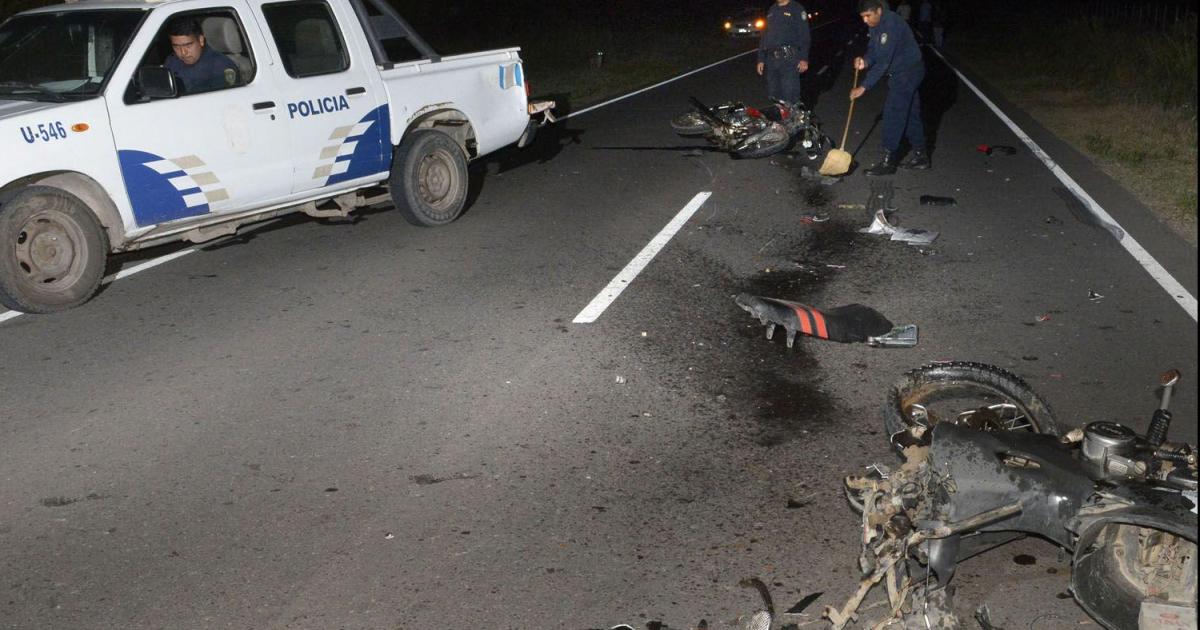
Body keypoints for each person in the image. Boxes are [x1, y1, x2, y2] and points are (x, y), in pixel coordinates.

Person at [849, 0, 929, 175]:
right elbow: (873, 50)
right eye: (862, 17)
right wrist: (865, 60)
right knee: (909, 114)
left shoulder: (891, 23)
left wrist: (864, 86)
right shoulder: (875, 24)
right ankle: (921, 156)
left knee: (893, 112)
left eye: (868, 16)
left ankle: (888, 161)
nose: (865, 20)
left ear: (879, 10)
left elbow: (884, 62)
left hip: (908, 72)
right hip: (903, 73)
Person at [756, 0, 811, 106]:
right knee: (774, 94)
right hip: (772, 59)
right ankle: (779, 120)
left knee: (789, 94)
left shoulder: (796, 8)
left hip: (789, 58)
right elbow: (765, 36)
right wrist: (761, 59)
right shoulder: (772, 10)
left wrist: (804, 58)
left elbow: (804, 35)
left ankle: (793, 119)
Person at [163, 18, 238, 94]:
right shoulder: (172, 62)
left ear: (201, 40)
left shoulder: (220, 66)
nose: (183, 53)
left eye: (188, 45)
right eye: (177, 47)